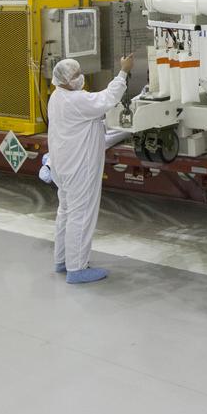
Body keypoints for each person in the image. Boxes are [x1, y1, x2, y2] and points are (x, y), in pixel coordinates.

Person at [48, 54, 134, 284]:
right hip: (79, 168)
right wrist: (124, 71)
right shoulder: (76, 100)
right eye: (75, 75)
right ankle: (77, 269)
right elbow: (107, 99)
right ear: (64, 80)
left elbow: (89, 120)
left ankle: (62, 260)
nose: (80, 77)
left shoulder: (56, 97)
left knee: (66, 212)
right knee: (81, 214)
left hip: (63, 166)